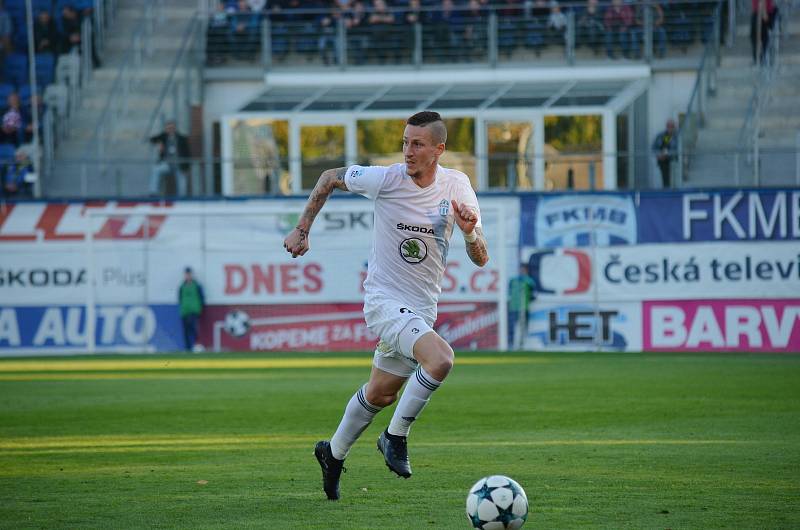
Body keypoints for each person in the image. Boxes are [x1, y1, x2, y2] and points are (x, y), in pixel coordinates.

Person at [283, 111, 489, 501]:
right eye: (405, 142)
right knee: (441, 359)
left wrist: (470, 232)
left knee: (380, 394)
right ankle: (395, 437)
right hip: (383, 302)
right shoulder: (386, 179)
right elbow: (329, 178)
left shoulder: (457, 186)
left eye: (418, 144)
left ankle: (332, 453)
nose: (408, 151)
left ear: (438, 150)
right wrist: (302, 228)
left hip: (420, 310)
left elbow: (481, 257)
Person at [148, 120, 191, 196]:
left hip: (179, 164)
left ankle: (182, 196)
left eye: (171, 128)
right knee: (156, 170)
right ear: (166, 129)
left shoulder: (181, 138)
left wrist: (186, 167)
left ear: (175, 128)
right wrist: (159, 143)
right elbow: (152, 139)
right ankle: (153, 192)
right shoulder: (163, 137)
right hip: (167, 164)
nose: (170, 130)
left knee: (182, 178)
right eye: (168, 128)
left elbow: (187, 153)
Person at [508, 264, 536, 350]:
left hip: (524, 307)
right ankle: (510, 345)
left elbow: (533, 294)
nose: (521, 271)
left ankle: (522, 344)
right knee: (511, 327)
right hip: (513, 307)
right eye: (520, 269)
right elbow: (509, 291)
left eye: (523, 270)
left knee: (523, 327)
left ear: (526, 271)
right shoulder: (513, 280)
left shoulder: (529, 281)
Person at [178, 267, 205, 352]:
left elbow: (201, 298)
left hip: (194, 311)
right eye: (186, 274)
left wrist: (199, 308)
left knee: (194, 330)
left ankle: (196, 346)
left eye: (189, 274)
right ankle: (187, 348)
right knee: (186, 331)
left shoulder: (197, 286)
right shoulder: (182, 286)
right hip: (184, 311)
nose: (188, 276)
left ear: (191, 275)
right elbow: (180, 298)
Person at [652, 118, 677, 188]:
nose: (670, 128)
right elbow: (654, 147)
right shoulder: (661, 136)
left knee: (672, 179)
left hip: (673, 160)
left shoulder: (677, 136)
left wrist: (666, 154)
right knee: (665, 178)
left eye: (672, 126)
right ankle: (666, 189)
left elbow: (676, 149)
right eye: (669, 126)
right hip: (663, 161)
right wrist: (659, 155)